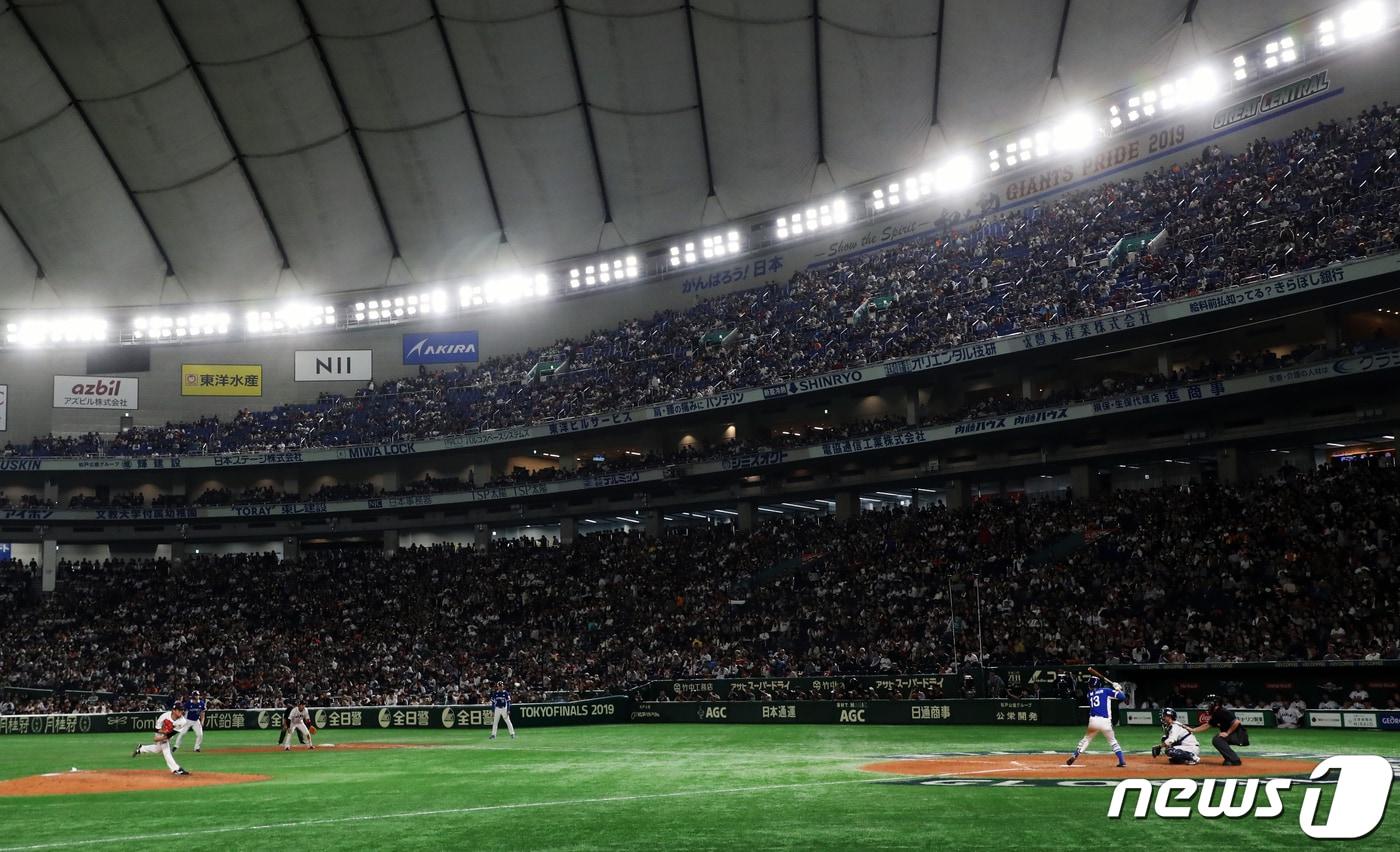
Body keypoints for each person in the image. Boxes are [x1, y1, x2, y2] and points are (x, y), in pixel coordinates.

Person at [1066, 676, 1126, 768]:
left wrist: (1114, 688)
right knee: (1113, 741)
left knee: (1086, 740)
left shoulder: (1089, 694)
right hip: (1105, 721)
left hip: (1093, 721)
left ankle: (1075, 755)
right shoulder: (1106, 690)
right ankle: (1121, 760)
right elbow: (1122, 697)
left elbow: (1099, 693)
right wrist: (1118, 688)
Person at [1189, 694, 1248, 765]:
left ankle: (1234, 760)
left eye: (1208, 704)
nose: (1207, 706)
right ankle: (1229, 759)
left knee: (1218, 739)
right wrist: (1193, 730)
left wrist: (1227, 733)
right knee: (1219, 739)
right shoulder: (1216, 713)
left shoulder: (1222, 711)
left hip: (1240, 735)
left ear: (1215, 704)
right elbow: (1207, 725)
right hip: (1235, 734)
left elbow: (1236, 722)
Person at [133, 704, 191, 775]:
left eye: (182, 710)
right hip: (160, 732)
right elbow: (156, 729)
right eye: (179, 710)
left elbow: (170, 734)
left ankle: (141, 748)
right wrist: (160, 735)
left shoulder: (182, 721)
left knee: (157, 749)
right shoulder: (164, 716)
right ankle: (176, 769)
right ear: (173, 710)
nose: (181, 712)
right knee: (166, 750)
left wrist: (160, 738)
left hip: (168, 734)